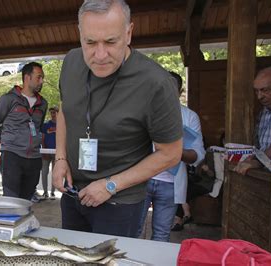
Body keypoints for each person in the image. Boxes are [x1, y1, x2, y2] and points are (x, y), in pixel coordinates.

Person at [52, 0, 183, 238]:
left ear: (129, 33)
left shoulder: (156, 83)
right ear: (79, 34)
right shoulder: (71, 62)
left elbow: (171, 153)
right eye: (90, 42)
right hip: (73, 193)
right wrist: (60, 158)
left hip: (120, 201)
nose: (100, 55)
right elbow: (64, 111)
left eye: (111, 42)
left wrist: (111, 185)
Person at [136, 72, 205, 241]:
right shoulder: (142, 112)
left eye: (170, 89)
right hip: (140, 179)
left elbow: (198, 154)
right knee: (134, 232)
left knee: (162, 234)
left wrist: (174, 152)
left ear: (180, 91)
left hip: (170, 184)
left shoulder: (189, 117)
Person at [0, 62, 48, 200]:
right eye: (38, 77)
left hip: (34, 159)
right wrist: (9, 141)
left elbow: (37, 128)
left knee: (26, 202)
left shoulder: (43, 104)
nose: (41, 81)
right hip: (12, 157)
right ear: (27, 78)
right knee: (11, 202)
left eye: (42, 78)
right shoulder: (8, 99)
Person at [234, 66, 271, 175]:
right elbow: (260, 146)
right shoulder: (263, 113)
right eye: (256, 91)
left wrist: (259, 161)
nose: (259, 97)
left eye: (265, 90)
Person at [41, 106, 58, 199]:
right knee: (44, 172)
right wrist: (44, 150)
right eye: (51, 113)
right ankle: (45, 192)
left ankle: (52, 192)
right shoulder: (46, 125)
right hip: (46, 151)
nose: (53, 114)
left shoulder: (61, 125)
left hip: (56, 152)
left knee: (55, 172)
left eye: (54, 112)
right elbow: (42, 138)